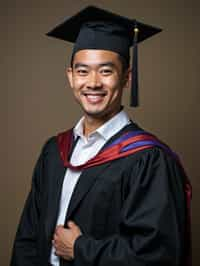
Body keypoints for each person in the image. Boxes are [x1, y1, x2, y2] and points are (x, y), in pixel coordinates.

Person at [10, 5, 192, 266]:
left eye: (106, 71)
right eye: (82, 71)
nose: (93, 82)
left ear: (126, 78)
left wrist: (80, 248)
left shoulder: (149, 160)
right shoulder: (54, 151)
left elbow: (159, 256)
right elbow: (27, 238)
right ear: (71, 77)